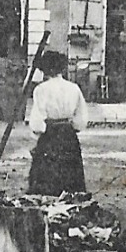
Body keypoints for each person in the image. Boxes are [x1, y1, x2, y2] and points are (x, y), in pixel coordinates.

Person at [26, 50, 89, 195]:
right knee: (70, 177)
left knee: (46, 178)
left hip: (50, 134)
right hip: (68, 136)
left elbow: (37, 120)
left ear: (46, 70)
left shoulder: (41, 89)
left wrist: (38, 135)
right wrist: (72, 127)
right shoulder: (74, 88)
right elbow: (81, 118)